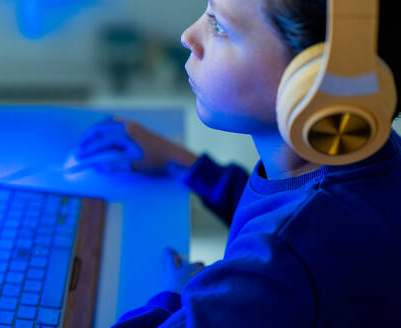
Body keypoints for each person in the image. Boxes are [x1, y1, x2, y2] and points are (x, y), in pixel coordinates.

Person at [69, 0, 401, 326]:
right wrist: (183, 162)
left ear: (320, 80)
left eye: (219, 25)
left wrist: (176, 300)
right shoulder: (368, 154)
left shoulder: (273, 270)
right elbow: (290, 213)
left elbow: (286, 241)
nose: (188, 36)